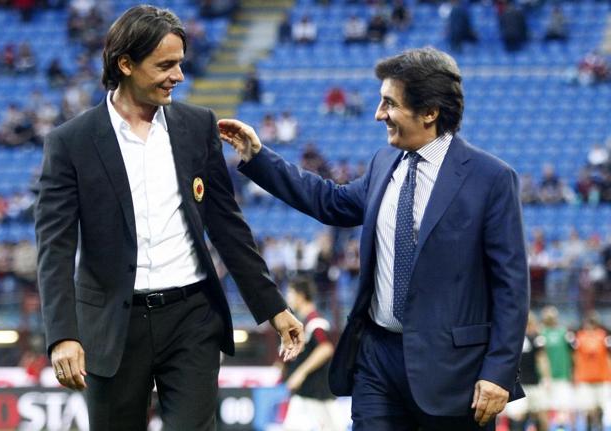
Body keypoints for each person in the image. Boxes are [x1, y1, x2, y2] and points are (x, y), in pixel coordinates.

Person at [219, 47, 529, 430]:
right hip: (377, 361)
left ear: (429, 112)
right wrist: (258, 156)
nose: (379, 114)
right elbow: (330, 201)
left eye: (390, 103)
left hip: (453, 371)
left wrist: (499, 371)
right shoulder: (384, 163)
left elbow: (511, 286)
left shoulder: (491, 178)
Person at [35, 5, 304, 431]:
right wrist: (63, 335)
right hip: (113, 326)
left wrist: (274, 306)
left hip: (192, 318)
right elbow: (55, 247)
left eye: (180, 63)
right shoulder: (70, 143)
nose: (178, 76)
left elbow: (228, 227)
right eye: (165, 65)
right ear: (125, 64)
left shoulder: (198, 126)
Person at [282, 277, 347, 431]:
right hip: (305, 392)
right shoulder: (302, 322)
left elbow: (325, 348)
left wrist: (300, 373)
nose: (287, 298)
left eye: (290, 293)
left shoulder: (315, 322)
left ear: (300, 295)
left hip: (318, 392)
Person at [504, 312, 550, 431]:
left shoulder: (512, 337)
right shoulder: (534, 337)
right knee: (537, 415)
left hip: (520, 383)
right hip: (527, 383)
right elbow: (542, 359)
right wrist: (546, 378)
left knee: (521, 417)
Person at [572, 312, 611, 431]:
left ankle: (599, 426)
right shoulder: (579, 337)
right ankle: (589, 427)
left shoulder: (603, 336)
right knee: (588, 409)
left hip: (601, 377)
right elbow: (574, 356)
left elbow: (608, 356)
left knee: (599, 407)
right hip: (586, 378)